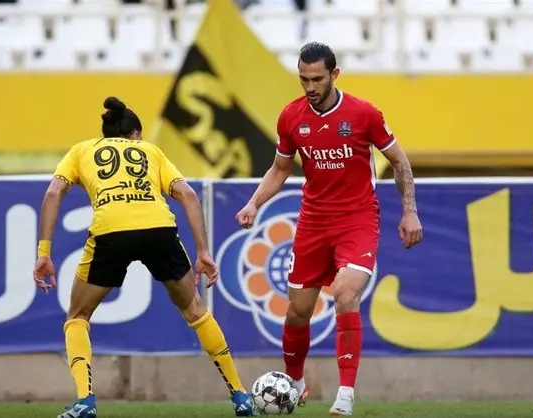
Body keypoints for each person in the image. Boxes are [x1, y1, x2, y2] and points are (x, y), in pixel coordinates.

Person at [33, 97, 255, 418]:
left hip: (111, 231)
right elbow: (188, 194)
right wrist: (203, 252)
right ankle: (240, 395)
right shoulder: (151, 151)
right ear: (136, 134)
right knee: (195, 311)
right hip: (159, 229)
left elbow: (54, 192)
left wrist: (44, 253)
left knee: (78, 316)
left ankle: (85, 402)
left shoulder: (81, 150)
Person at [236, 42, 423, 416]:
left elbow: (399, 161)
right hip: (313, 223)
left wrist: (410, 212)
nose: (310, 87)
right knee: (297, 312)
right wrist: (254, 202)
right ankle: (295, 384)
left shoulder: (364, 113)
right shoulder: (291, 117)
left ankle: (345, 396)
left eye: (317, 79)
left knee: (345, 294)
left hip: (357, 220)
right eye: (303, 79)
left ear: (334, 74)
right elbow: (280, 168)